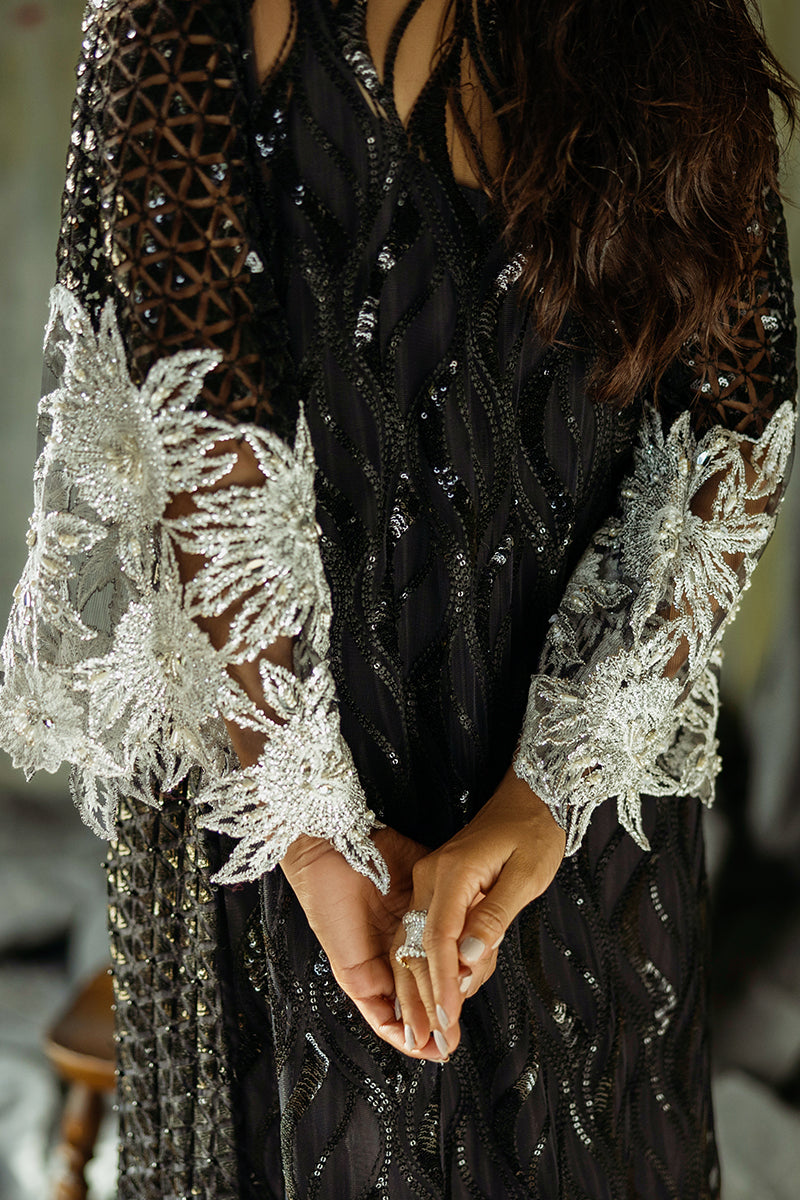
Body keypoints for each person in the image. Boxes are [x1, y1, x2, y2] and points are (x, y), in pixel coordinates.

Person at [0, 0, 797, 1196]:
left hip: (511, 812)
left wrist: (536, 791)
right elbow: (202, 435)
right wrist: (330, 827)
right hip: (344, 807)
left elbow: (731, 425)